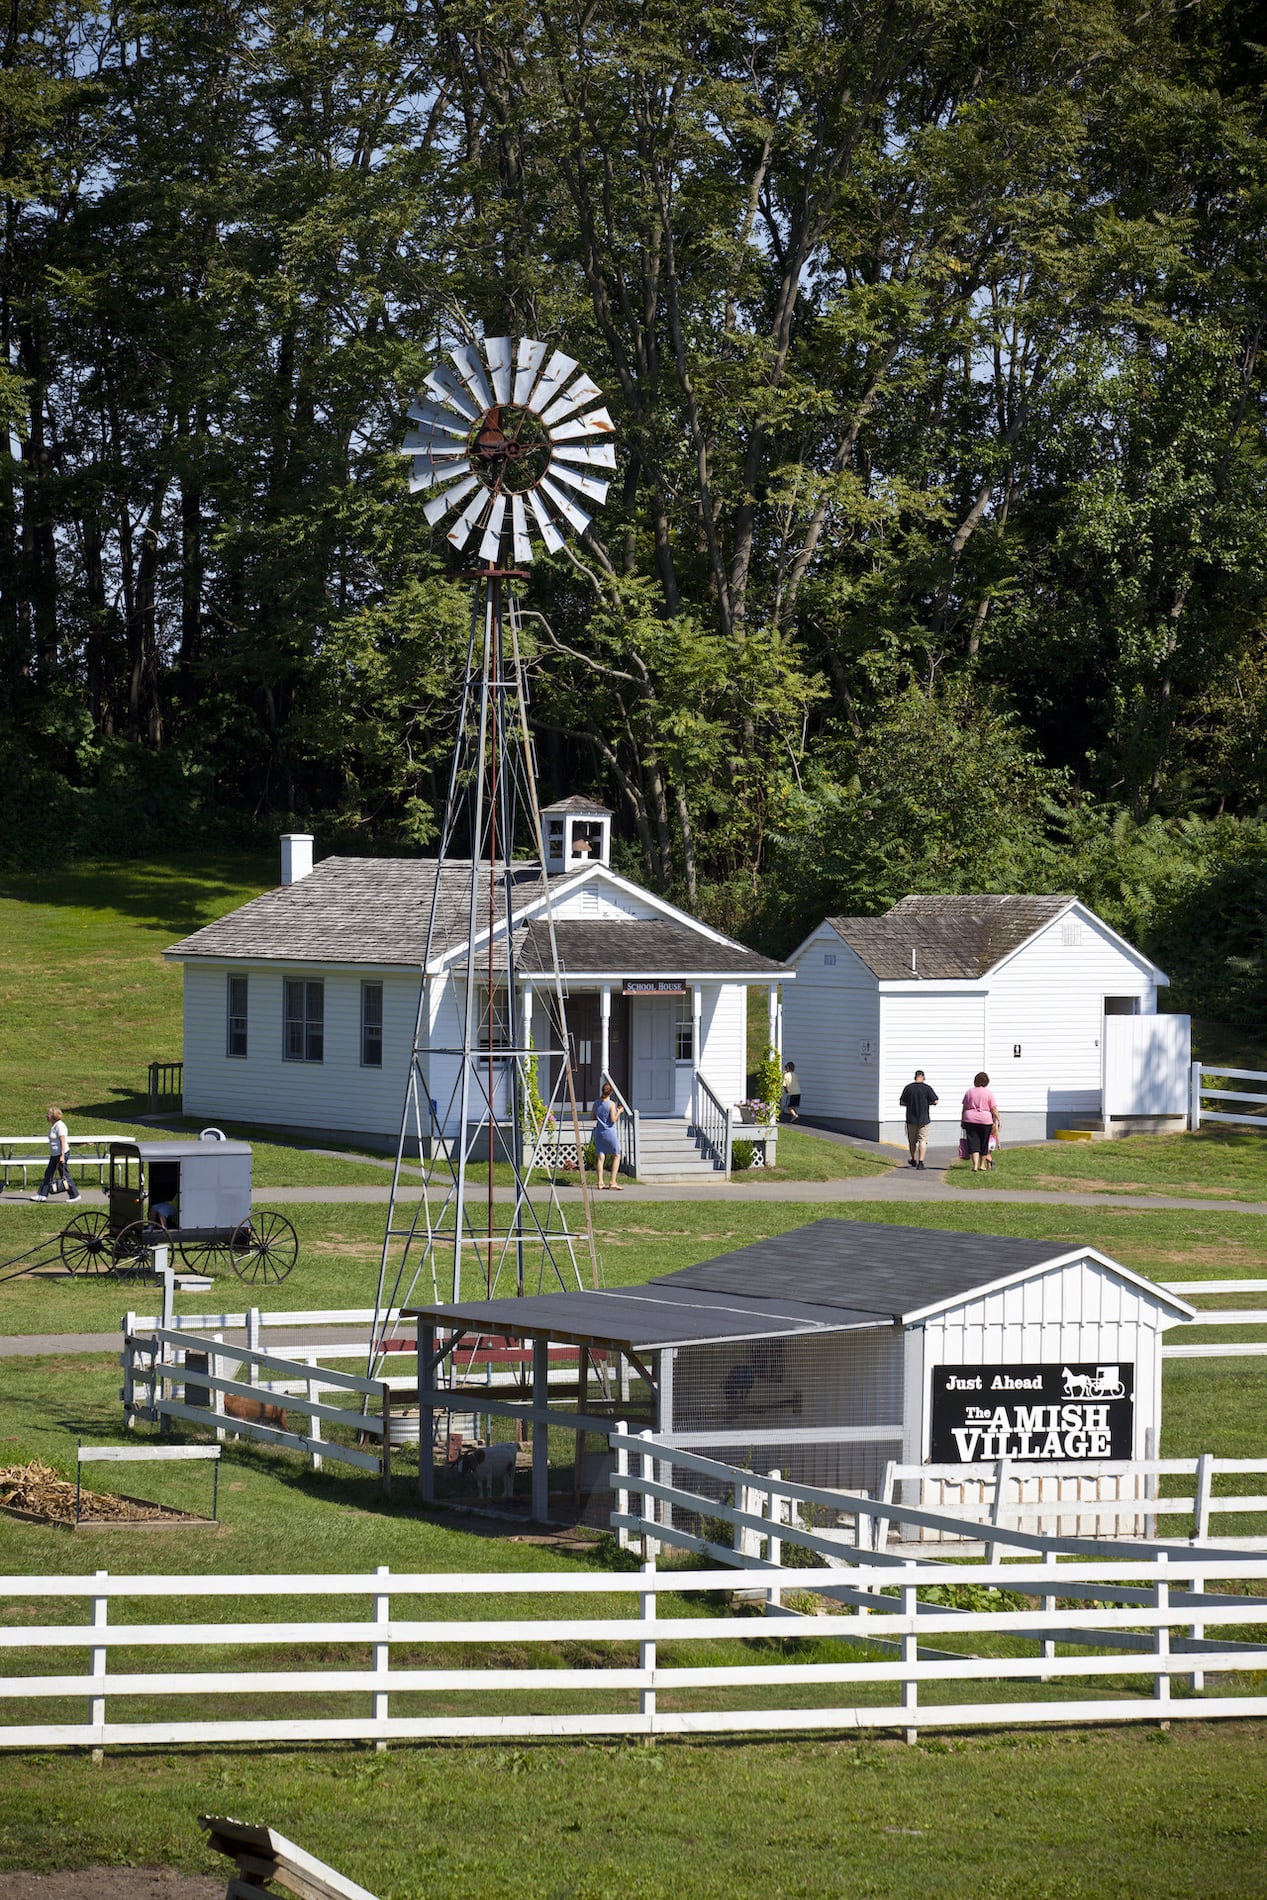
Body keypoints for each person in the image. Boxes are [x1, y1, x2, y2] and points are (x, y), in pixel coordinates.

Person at [34, 1106, 80, 1203]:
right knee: (48, 1174)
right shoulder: (54, 1126)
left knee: (65, 1175)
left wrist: (62, 1156)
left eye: (49, 1114)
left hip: (60, 1154)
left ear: (54, 1115)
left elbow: (63, 1141)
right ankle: (42, 1195)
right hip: (54, 1154)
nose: (47, 1116)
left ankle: (75, 1195)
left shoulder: (60, 1126)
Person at [960, 1071, 1000, 1173]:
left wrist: (962, 1120)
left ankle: (975, 1166)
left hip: (970, 1119)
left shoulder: (969, 1092)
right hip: (985, 1120)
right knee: (984, 1142)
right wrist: (999, 1119)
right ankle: (982, 1165)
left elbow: (964, 1107)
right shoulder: (989, 1093)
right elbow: (993, 1108)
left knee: (973, 1142)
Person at [899, 1069, 938, 1170]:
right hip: (924, 1119)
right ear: (923, 1077)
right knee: (923, 1140)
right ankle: (921, 1162)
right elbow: (935, 1100)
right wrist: (929, 1103)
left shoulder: (908, 1088)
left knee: (912, 1141)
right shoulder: (927, 1088)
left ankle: (913, 1159)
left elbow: (902, 1102)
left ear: (915, 1077)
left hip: (911, 1118)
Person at [592, 1081, 624, 1190]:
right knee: (617, 1155)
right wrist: (619, 1111)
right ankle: (612, 1181)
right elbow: (613, 1119)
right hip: (609, 1132)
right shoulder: (611, 1104)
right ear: (611, 1093)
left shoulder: (596, 1103)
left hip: (599, 1132)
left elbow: (592, 1117)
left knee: (601, 1157)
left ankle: (600, 1182)